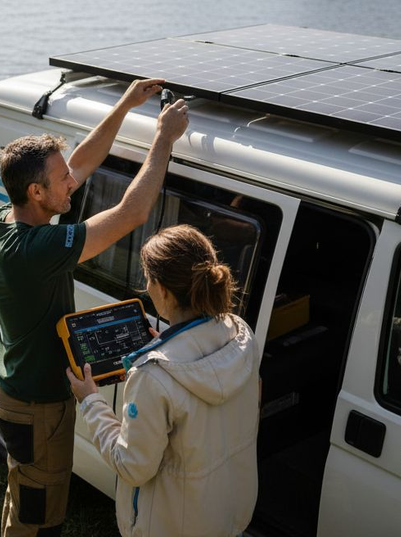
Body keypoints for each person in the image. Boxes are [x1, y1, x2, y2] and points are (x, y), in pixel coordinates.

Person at [0, 78, 190, 536]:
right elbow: (131, 213)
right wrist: (163, 138)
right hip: (38, 406)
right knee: (39, 517)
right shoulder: (38, 248)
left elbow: (80, 162)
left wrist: (125, 105)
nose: (73, 182)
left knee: (23, 496)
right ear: (37, 192)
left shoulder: (8, 218)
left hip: (15, 390)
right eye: (61, 181)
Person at [66, 224, 261, 537]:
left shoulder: (152, 376)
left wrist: (90, 401)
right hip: (226, 518)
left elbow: (132, 465)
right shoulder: (241, 335)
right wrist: (171, 344)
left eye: (148, 279)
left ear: (164, 291)